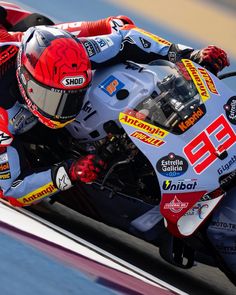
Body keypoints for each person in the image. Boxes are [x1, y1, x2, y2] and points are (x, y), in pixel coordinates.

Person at [0, 3, 230, 207]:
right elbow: (11, 190)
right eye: (56, 99)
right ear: (27, 83)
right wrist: (69, 171)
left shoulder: (65, 45)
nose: (68, 108)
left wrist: (187, 54)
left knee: (114, 24)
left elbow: (125, 36)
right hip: (16, 118)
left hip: (19, 32)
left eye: (72, 97)